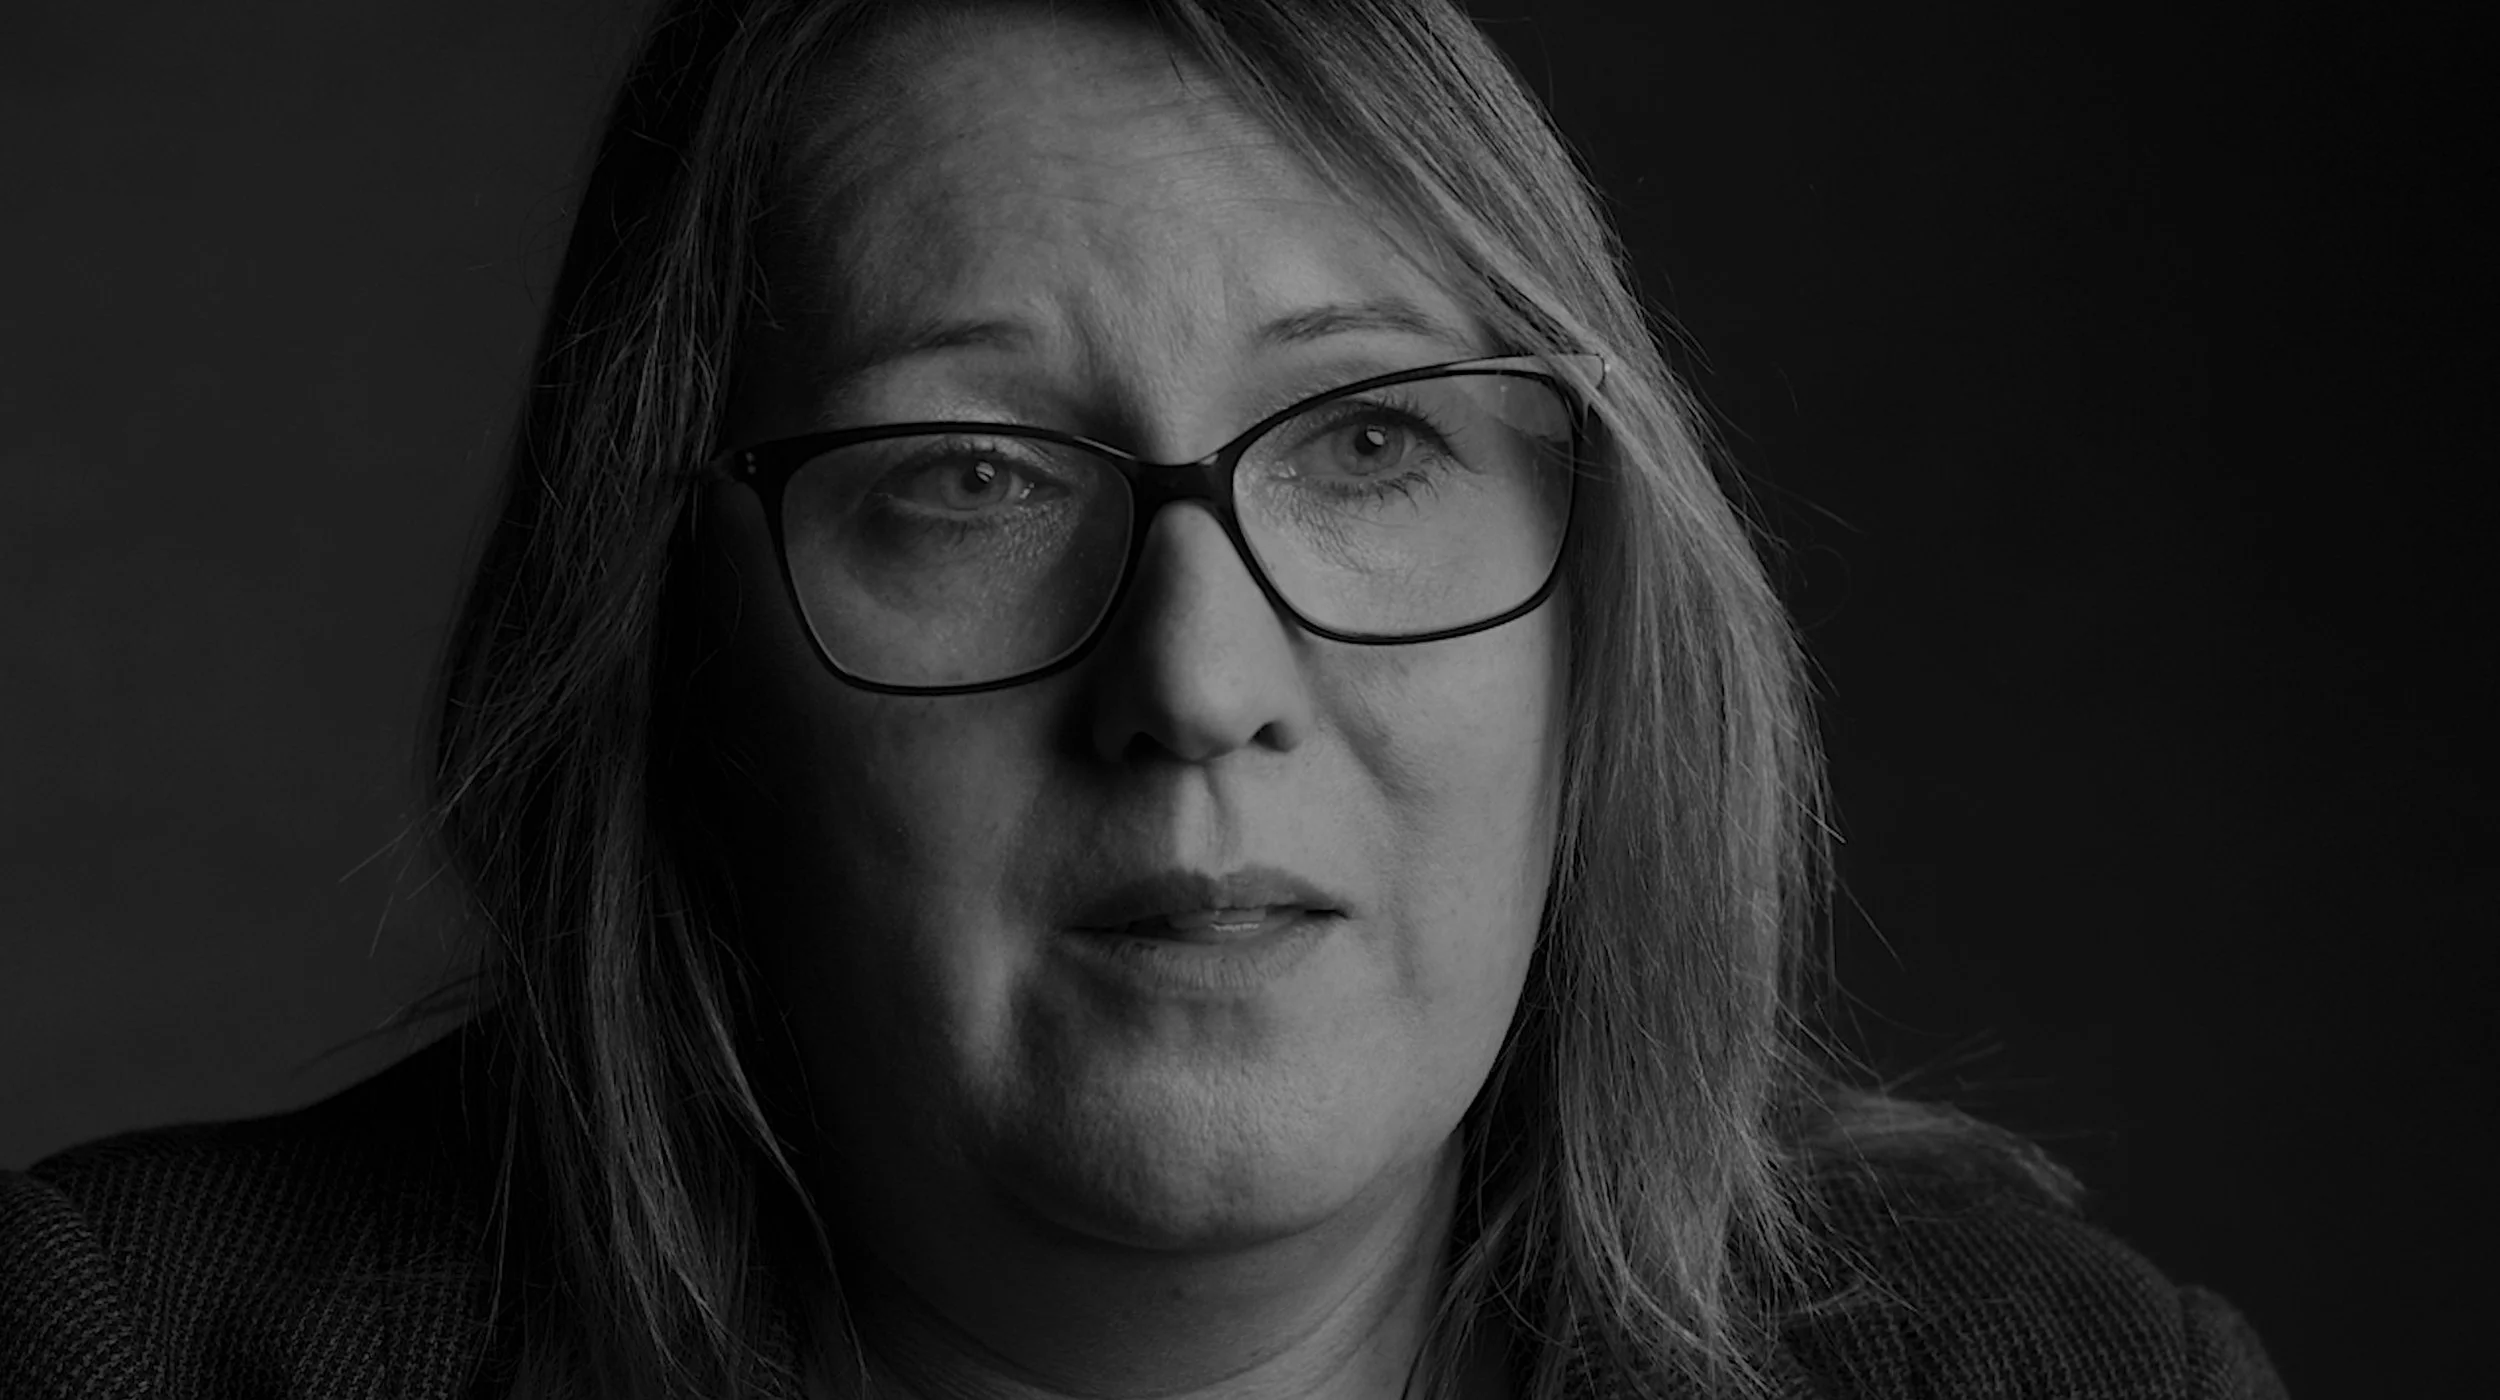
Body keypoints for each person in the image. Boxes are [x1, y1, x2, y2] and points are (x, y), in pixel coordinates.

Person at [0, 2, 2288, 1397]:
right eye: (970, 474)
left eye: (1373, 439)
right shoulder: (123, 1355)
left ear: (1601, 614)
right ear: (674, 655)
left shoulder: (2047, 1375)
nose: (1195, 684)